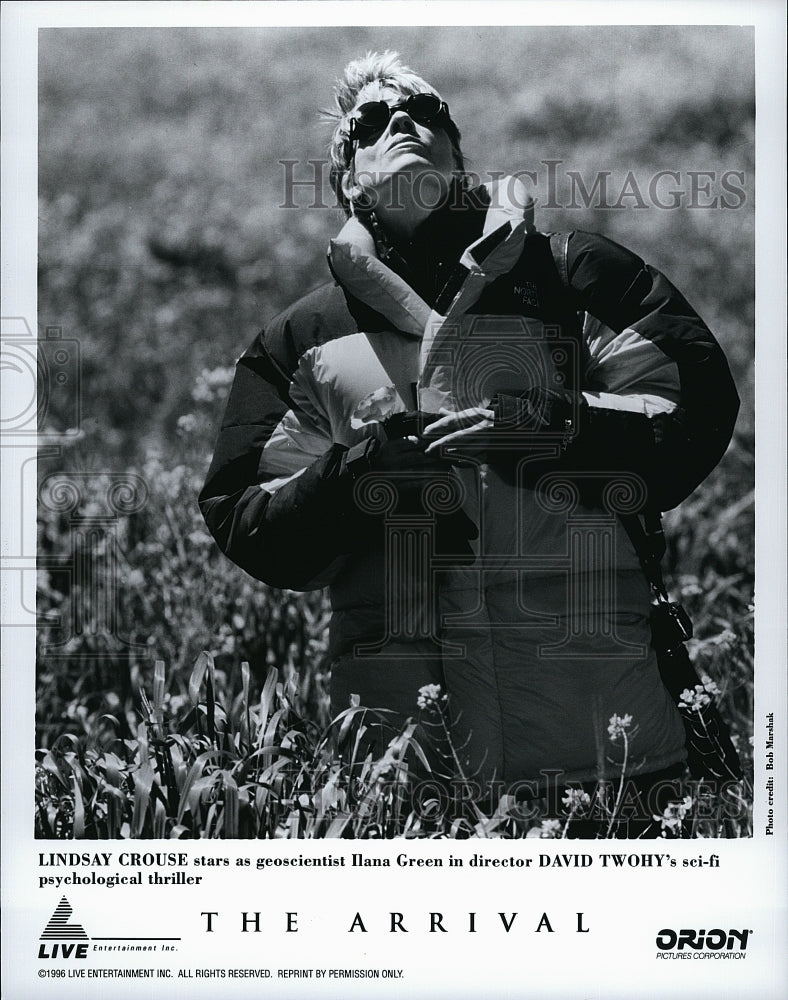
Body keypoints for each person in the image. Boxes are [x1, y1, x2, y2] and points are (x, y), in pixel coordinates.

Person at [200, 52, 739, 823]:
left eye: (425, 113)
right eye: (372, 124)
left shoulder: (574, 274)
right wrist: (361, 477)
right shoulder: (303, 338)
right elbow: (246, 516)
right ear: (347, 179)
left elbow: (692, 411)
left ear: (458, 156)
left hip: (610, 753)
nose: (403, 123)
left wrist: (559, 429)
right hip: (410, 777)